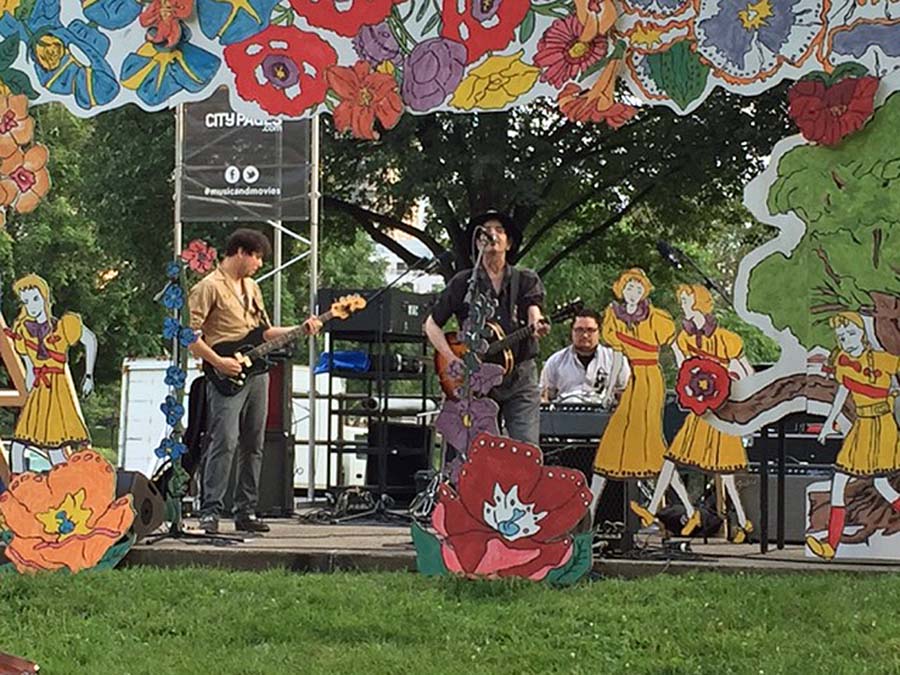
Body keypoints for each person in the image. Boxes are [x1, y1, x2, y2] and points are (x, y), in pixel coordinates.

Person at [188, 228, 321, 534]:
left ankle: (245, 510)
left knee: (254, 443)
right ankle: (210, 510)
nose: (259, 264)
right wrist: (218, 361)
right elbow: (189, 334)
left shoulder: (252, 287)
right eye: (257, 257)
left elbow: (263, 332)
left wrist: (300, 328)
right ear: (240, 252)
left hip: (256, 373)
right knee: (225, 440)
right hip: (225, 373)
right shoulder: (208, 287)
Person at [630, 284, 755, 541]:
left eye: (686, 300)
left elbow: (746, 373)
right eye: (682, 301)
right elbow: (686, 372)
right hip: (700, 411)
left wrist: (730, 383)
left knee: (726, 472)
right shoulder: (683, 339)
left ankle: (742, 522)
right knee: (671, 458)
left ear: (700, 302)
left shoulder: (726, 339)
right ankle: (653, 510)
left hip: (721, 412)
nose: (683, 306)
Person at [424, 211, 549, 446]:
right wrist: (451, 358)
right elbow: (431, 325)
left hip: (519, 377)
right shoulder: (463, 283)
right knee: (480, 451)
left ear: (509, 243)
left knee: (526, 449)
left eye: (499, 230)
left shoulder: (525, 279)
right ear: (478, 242)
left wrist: (536, 323)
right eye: (485, 231)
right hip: (476, 379)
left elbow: (534, 309)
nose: (491, 234)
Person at [807, 312, 900, 560]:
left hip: (881, 427)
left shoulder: (883, 360)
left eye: (850, 333)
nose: (847, 340)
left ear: (861, 333)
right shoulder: (844, 362)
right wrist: (829, 422)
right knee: (848, 482)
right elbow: (843, 392)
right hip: (862, 427)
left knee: (879, 483)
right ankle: (830, 546)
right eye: (841, 336)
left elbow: (891, 387)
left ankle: (830, 545)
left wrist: (892, 391)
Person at [589, 268, 675, 519]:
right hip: (633, 379)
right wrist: (607, 390)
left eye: (638, 288)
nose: (633, 293)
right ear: (621, 289)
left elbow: (672, 346)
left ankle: (664, 507)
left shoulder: (655, 318)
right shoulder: (614, 317)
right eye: (629, 287)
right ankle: (590, 511)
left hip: (650, 381)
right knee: (615, 438)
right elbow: (617, 358)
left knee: (650, 439)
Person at [6, 273, 97, 473]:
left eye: (36, 299)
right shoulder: (23, 330)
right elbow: (29, 365)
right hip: (40, 391)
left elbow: (90, 340)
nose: (32, 306)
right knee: (19, 445)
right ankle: (20, 491)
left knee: (55, 449)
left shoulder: (62, 326)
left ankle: (69, 487)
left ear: (45, 298)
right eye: (27, 302)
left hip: (57, 389)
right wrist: (29, 384)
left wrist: (88, 375)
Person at [540, 308, 631, 404]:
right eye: (579, 330)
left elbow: (626, 394)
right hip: (565, 415)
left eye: (590, 330)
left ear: (599, 332)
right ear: (572, 332)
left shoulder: (616, 361)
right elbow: (544, 397)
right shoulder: (555, 362)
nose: (585, 335)